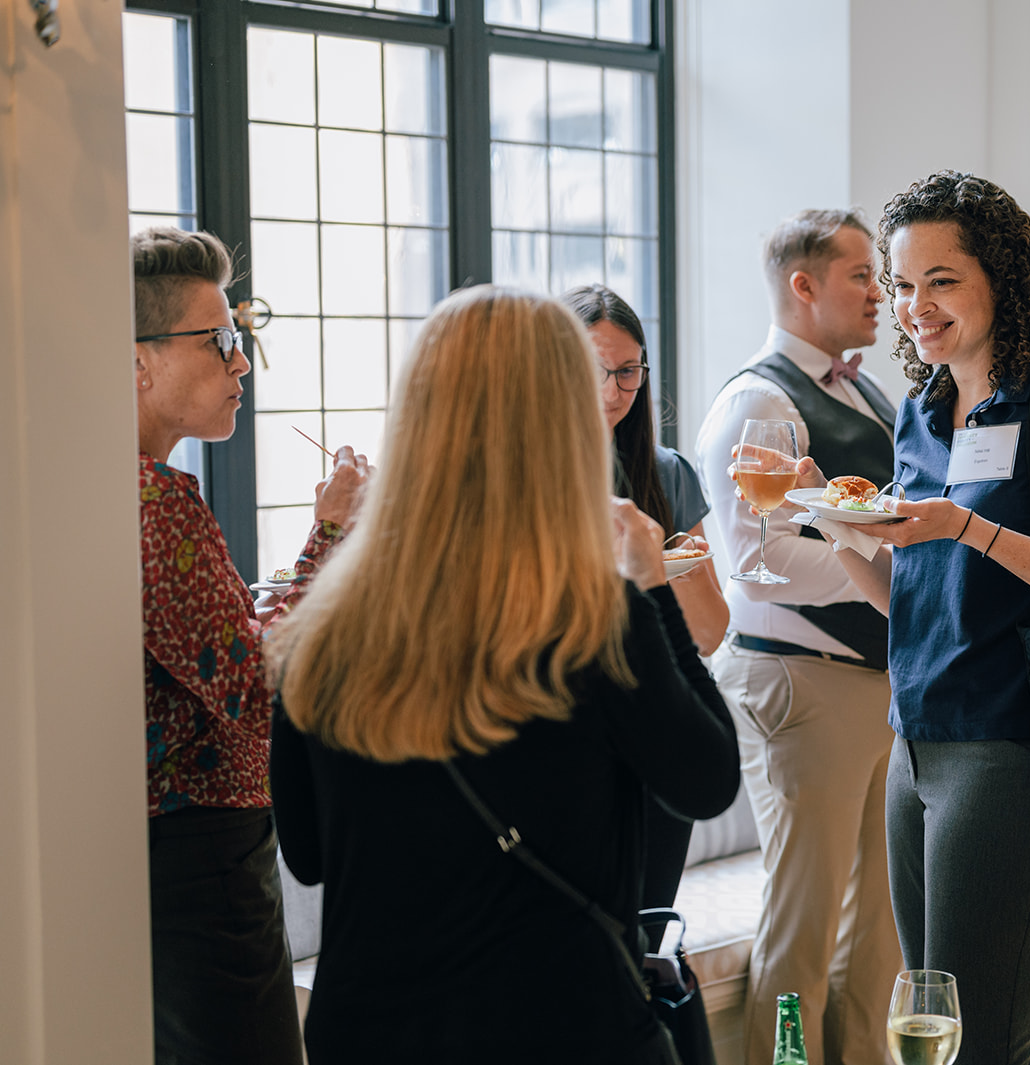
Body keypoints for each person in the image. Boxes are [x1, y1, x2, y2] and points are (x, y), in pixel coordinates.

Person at [267, 286, 741, 1064]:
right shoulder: (592, 617)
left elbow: (309, 855)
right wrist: (653, 588)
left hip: (375, 1029)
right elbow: (708, 779)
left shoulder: (322, 626)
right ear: (559, 419)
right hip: (563, 1025)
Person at [812, 171, 1030, 1065]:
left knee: (980, 1045)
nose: (914, 306)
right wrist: (829, 523)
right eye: (901, 284)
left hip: (1016, 752)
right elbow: (917, 600)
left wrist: (970, 527)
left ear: (1000, 279)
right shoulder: (923, 411)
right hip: (916, 744)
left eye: (942, 280)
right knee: (927, 1035)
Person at [133, 225, 369, 1065]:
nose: (240, 364)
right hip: (202, 860)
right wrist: (332, 534)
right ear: (138, 361)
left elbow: (223, 643)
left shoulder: (119, 486)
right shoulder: (157, 506)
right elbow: (254, 686)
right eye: (219, 340)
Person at [694, 209, 903, 1065]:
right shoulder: (757, 400)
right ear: (803, 285)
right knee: (803, 928)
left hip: (881, 679)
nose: (880, 292)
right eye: (862, 275)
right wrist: (895, 566)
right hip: (803, 682)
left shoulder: (866, 390)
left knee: (881, 923)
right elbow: (757, 562)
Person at [564, 281, 729, 915]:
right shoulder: (524, 478)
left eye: (628, 372)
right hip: (571, 737)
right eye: (594, 370)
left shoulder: (666, 473)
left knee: (649, 923)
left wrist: (663, 566)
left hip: (658, 722)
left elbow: (709, 633)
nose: (612, 392)